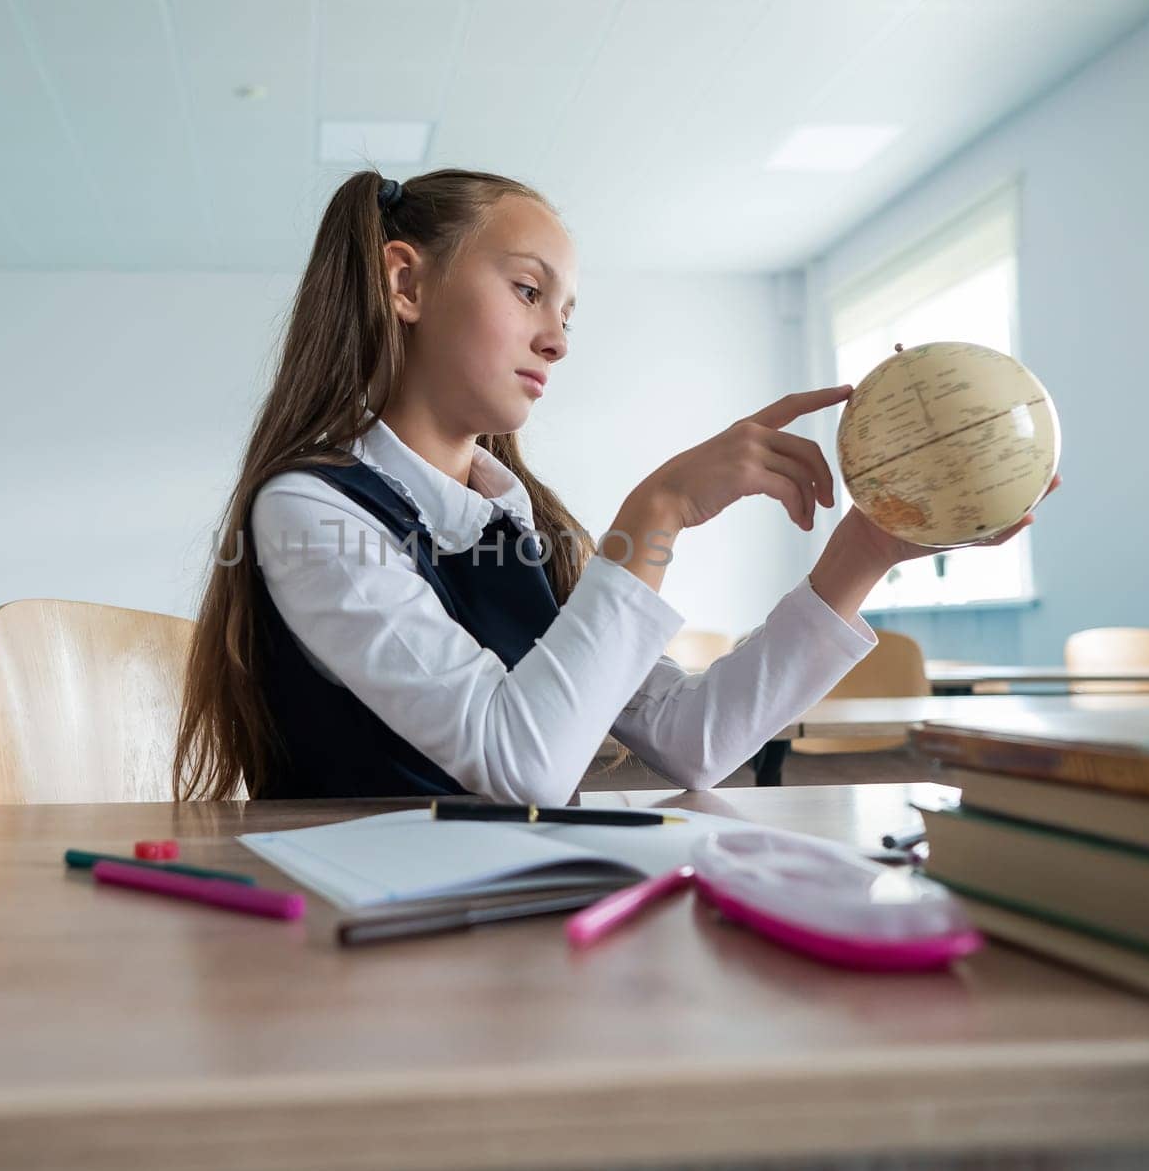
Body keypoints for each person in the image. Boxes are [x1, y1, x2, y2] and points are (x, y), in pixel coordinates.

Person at [174, 169, 1054, 801]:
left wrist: (866, 549)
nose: (556, 339)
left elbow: (691, 739)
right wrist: (659, 513)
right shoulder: (307, 511)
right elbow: (520, 764)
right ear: (406, 282)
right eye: (528, 291)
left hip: (497, 929)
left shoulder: (526, 531)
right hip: (353, 954)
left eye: (566, 313)